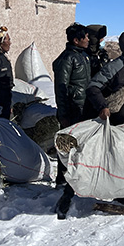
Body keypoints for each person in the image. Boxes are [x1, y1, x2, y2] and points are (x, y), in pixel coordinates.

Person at [55, 30, 124, 217]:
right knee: (89, 159)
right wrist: (102, 106)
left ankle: (121, 194)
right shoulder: (114, 68)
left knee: (122, 161)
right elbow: (93, 87)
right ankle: (67, 195)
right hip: (105, 121)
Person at [52, 23, 91, 187]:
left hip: (82, 107)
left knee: (79, 144)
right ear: (76, 40)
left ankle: (76, 177)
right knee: (67, 145)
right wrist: (64, 114)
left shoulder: (82, 56)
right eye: (86, 37)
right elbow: (61, 88)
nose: (88, 40)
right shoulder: (67, 59)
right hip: (72, 108)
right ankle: (62, 178)